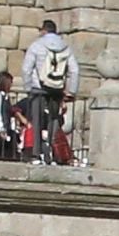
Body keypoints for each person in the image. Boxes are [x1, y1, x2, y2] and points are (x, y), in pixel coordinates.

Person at [21, 19, 79, 161]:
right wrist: (71, 91)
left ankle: (36, 154)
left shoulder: (36, 46)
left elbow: (26, 68)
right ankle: (51, 153)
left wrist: (28, 87)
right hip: (56, 89)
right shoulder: (66, 47)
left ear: (44, 30)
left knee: (37, 121)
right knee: (53, 120)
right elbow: (75, 70)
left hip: (38, 88)